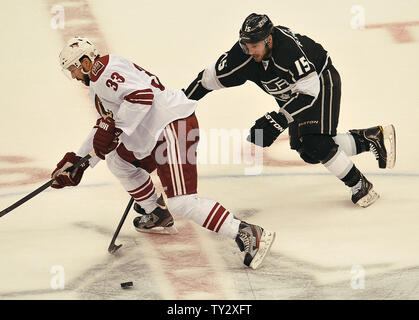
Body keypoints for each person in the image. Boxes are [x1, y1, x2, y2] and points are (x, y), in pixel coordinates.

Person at [50, 37, 275, 269]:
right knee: (117, 160)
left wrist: (115, 129)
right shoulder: (100, 78)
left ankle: (248, 232)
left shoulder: (105, 72)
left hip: (171, 128)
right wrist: (80, 162)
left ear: (86, 62)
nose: (74, 76)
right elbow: (105, 125)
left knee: (183, 203)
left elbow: (141, 98)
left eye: (74, 69)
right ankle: (155, 212)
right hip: (155, 133)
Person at [184, 13, 396, 208]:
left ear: (269, 39)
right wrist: (180, 104)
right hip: (294, 94)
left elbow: (309, 92)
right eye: (246, 45)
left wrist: (280, 118)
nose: (250, 51)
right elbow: (206, 80)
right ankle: (370, 139)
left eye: (255, 45)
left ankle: (360, 185)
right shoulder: (240, 56)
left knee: (316, 143)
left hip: (320, 81)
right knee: (307, 151)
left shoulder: (288, 51)